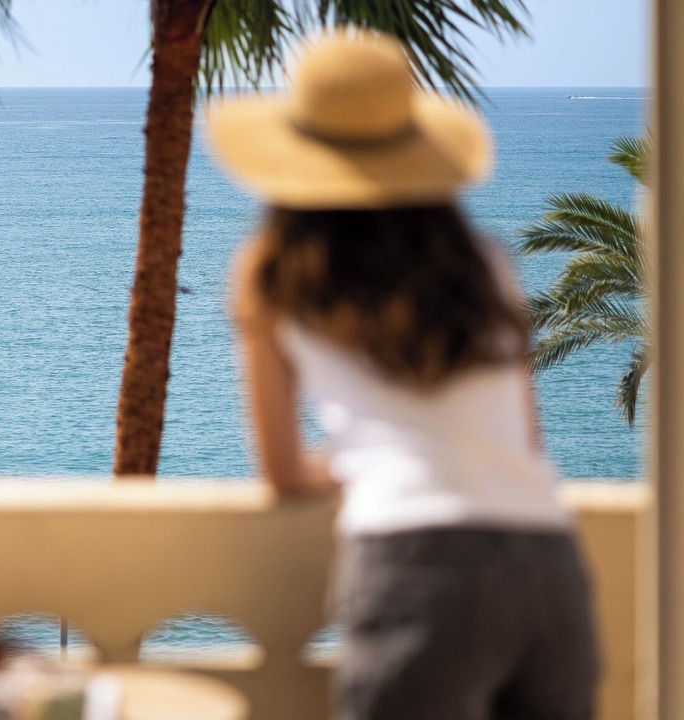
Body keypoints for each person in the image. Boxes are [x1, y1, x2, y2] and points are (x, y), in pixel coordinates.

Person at [207, 30, 600, 720]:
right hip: (548, 560)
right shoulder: (486, 262)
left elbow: (282, 472)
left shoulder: (272, 276)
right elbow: (524, 441)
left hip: (420, 564)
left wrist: (376, 455)